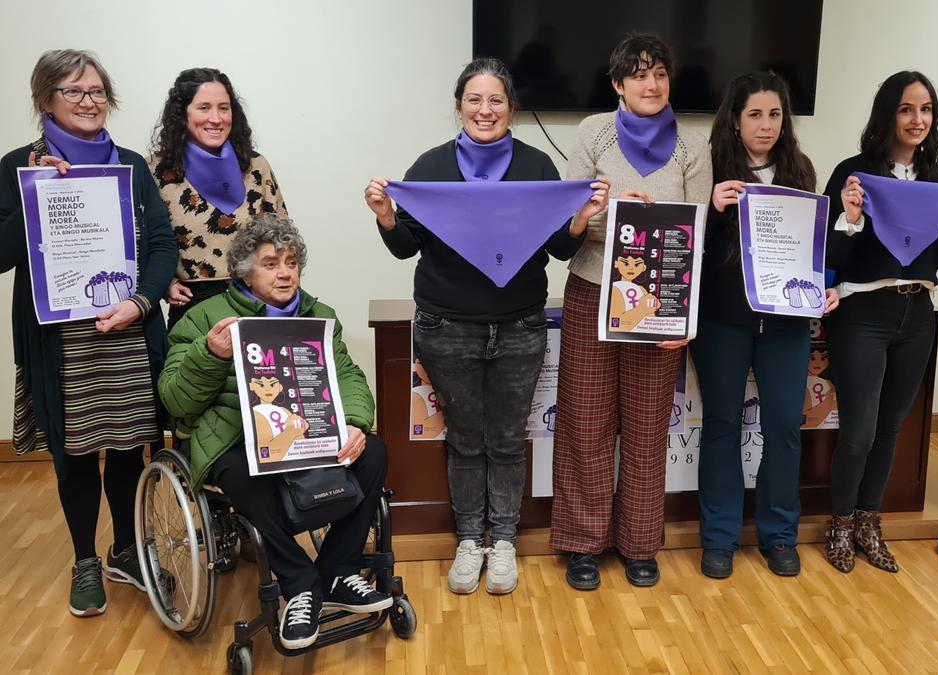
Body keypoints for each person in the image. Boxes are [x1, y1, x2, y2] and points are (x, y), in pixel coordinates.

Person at [363, 57, 608, 596]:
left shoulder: (539, 166)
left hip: (519, 325)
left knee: (505, 438)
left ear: (511, 110)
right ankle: (469, 539)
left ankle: (503, 540)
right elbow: (408, 246)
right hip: (446, 326)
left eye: (496, 100)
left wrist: (582, 215)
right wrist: (385, 215)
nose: (485, 109)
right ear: (458, 107)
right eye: (474, 99)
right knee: (466, 441)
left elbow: (560, 248)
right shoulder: (430, 166)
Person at [158, 215, 392, 649]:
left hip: (302, 430)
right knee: (244, 471)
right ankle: (299, 582)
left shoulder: (319, 316)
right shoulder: (202, 318)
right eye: (270, 263)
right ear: (246, 270)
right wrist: (209, 355)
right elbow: (175, 400)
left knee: (373, 453)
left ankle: (339, 570)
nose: (285, 272)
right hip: (233, 436)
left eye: (291, 262)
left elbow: (347, 376)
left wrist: (356, 423)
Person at [0, 50, 176, 617]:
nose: (90, 101)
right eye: (75, 92)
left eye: (98, 91)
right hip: (62, 341)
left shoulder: (130, 165)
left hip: (125, 331)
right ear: (45, 100)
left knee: (127, 448)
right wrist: (34, 201)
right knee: (74, 456)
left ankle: (125, 549)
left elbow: (161, 245)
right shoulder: (15, 168)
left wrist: (140, 303)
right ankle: (84, 560)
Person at [550, 33, 712, 590]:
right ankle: (582, 544)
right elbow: (572, 217)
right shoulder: (591, 132)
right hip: (594, 289)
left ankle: (641, 543)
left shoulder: (694, 147)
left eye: (660, 73)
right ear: (618, 84)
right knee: (586, 422)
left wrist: (685, 317)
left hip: (662, 298)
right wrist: (613, 218)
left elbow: (698, 235)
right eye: (639, 74)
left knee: (646, 429)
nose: (652, 84)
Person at [822, 71, 938, 574]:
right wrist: (847, 217)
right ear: (888, 114)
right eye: (907, 109)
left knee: (892, 428)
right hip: (863, 312)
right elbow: (828, 251)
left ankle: (871, 521)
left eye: (926, 110)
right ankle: (840, 522)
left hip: (918, 314)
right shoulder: (853, 173)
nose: (917, 120)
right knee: (860, 431)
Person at [691, 71, 837, 579]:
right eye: (755, 114)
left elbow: (812, 251)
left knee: (783, 428)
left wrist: (826, 285)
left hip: (786, 326)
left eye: (775, 114)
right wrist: (708, 209)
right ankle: (719, 538)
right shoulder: (707, 170)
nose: (766, 125)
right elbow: (685, 249)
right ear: (734, 119)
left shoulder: (801, 169)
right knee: (722, 427)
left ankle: (779, 536)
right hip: (722, 322)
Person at [148, 67, 288, 328]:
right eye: (204, 108)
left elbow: (282, 237)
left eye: (224, 108)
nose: (216, 118)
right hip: (193, 310)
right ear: (183, 113)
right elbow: (144, 240)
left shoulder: (256, 167)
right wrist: (164, 284)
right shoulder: (154, 171)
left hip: (255, 302)